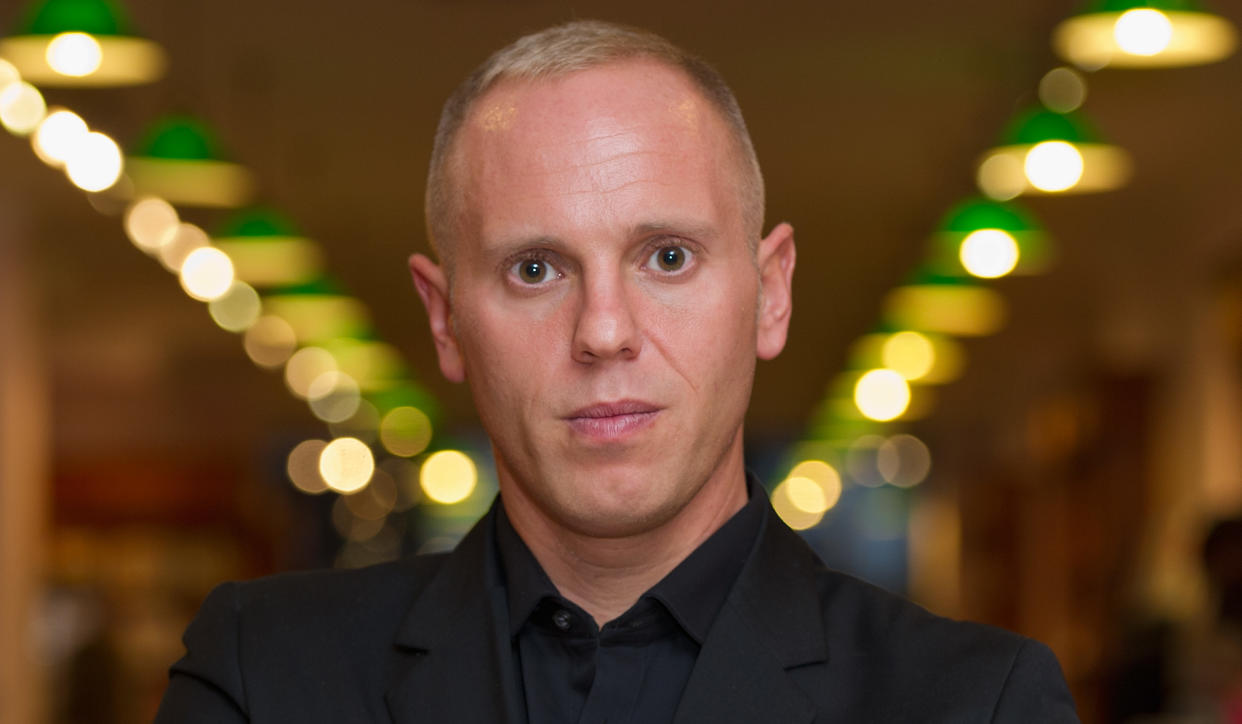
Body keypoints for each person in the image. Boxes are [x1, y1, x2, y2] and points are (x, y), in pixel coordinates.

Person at [155, 20, 1080, 723]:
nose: (604, 331)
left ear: (770, 294)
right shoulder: (263, 678)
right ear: (446, 321)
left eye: (667, 258)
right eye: (535, 269)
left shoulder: (978, 703)